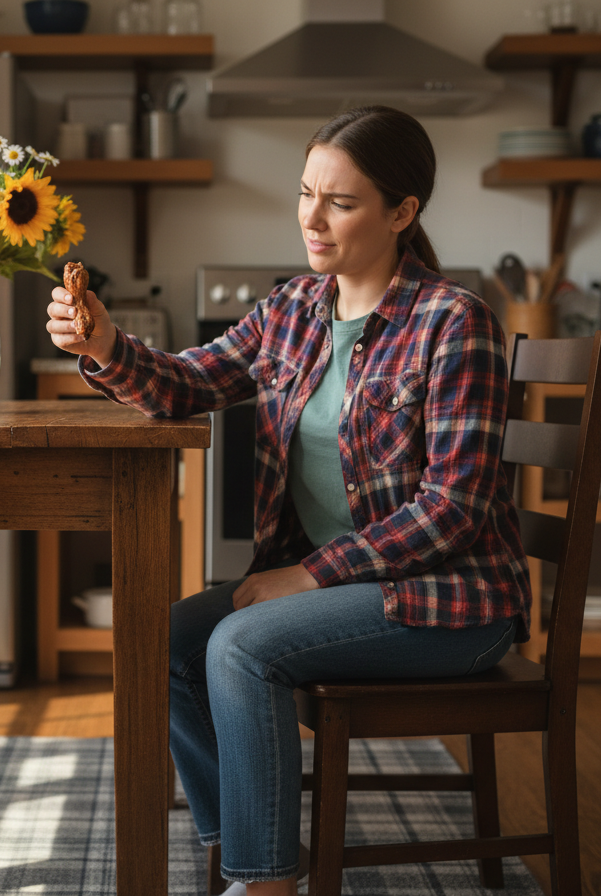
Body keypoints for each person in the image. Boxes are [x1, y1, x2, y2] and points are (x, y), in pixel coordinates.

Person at [46, 105, 531, 896]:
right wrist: (103, 346)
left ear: (402, 212)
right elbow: (187, 384)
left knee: (240, 645)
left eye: (340, 202)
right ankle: (243, 846)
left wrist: (310, 575)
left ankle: (267, 885)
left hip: (455, 605)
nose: (312, 217)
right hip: (349, 591)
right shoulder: (293, 311)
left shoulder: (454, 324)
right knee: (162, 639)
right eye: (306, 192)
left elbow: (455, 508)